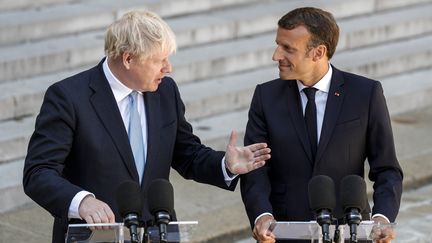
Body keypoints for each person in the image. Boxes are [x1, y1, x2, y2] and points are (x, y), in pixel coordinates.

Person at [22, 10, 271, 243]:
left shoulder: (165, 91)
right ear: (128, 58)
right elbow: (38, 172)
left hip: (158, 232)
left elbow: (187, 155)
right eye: (159, 60)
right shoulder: (68, 97)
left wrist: (225, 165)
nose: (168, 68)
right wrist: (83, 202)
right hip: (94, 236)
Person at [240, 7, 403, 243]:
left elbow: (387, 168)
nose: (276, 55)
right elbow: (256, 170)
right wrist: (262, 215)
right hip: (285, 234)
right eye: (278, 44)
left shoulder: (366, 94)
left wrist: (383, 218)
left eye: (288, 48)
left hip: (350, 232)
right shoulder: (265, 97)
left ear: (318, 52)